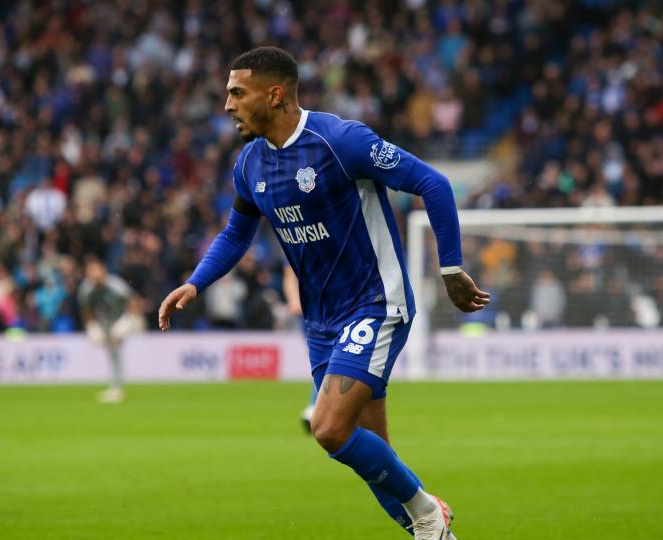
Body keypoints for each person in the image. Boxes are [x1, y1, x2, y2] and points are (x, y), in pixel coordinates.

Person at [159, 46, 489, 539]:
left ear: (275, 94)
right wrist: (195, 281)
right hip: (320, 321)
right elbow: (236, 233)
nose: (226, 104)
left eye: (236, 92)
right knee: (371, 450)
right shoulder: (250, 164)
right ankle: (430, 526)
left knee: (329, 429)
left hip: (377, 303)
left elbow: (432, 183)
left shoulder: (339, 140)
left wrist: (451, 268)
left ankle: (429, 513)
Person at [78, 258, 145, 403]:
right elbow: (87, 309)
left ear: (104, 272)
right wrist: (92, 326)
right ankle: (116, 388)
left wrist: (127, 323)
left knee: (116, 345)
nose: (95, 276)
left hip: (124, 318)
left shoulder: (116, 285)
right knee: (112, 352)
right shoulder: (86, 289)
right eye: (91, 272)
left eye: (97, 272)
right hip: (105, 322)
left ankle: (116, 388)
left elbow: (134, 303)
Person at [284, 265, 318, 434]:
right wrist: (294, 301)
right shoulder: (297, 241)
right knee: (323, 359)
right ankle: (315, 407)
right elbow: (290, 274)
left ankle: (315, 407)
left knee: (331, 358)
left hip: (336, 306)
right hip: (311, 310)